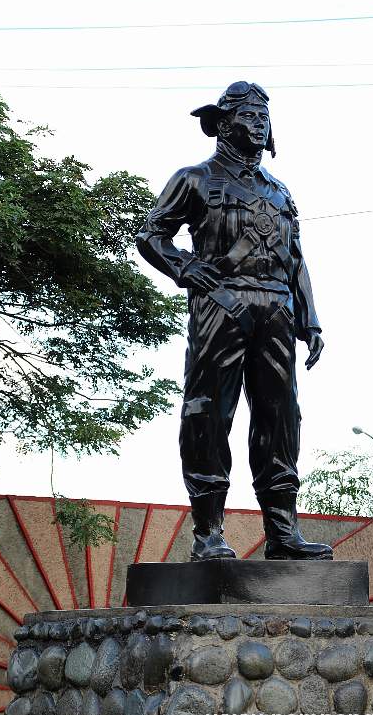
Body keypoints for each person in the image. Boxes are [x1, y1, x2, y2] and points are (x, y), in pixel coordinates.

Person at [136, 81, 332, 561]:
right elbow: (151, 235)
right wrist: (185, 267)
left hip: (277, 310)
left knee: (281, 417)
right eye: (248, 113)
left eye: (265, 114)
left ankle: (282, 532)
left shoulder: (279, 191)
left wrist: (310, 318)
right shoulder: (195, 179)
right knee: (208, 412)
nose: (260, 120)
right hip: (221, 306)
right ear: (223, 123)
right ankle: (208, 533)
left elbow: (295, 256)